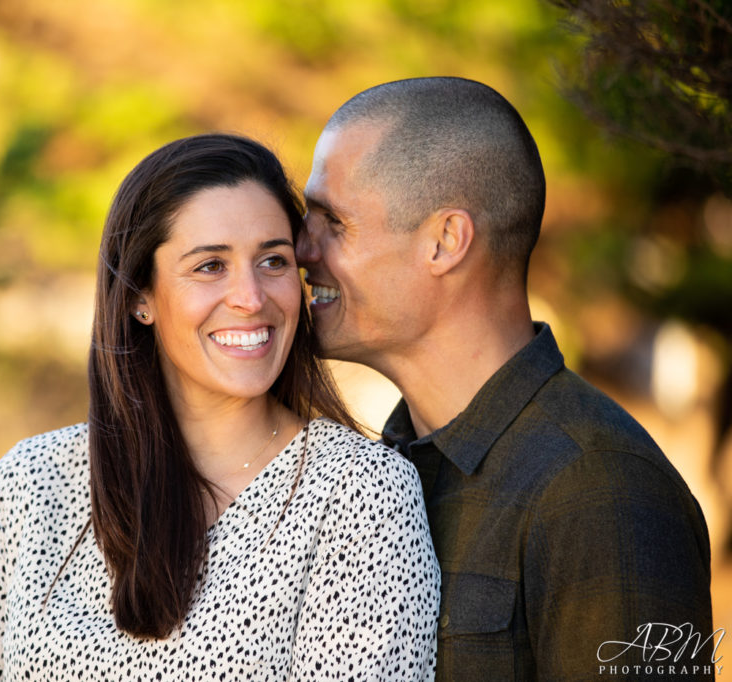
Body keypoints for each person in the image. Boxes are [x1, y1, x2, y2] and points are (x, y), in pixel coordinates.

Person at [0, 133, 440, 681]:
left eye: (273, 260)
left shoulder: (361, 494)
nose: (251, 297)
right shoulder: (31, 483)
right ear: (140, 296)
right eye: (210, 267)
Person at [296, 78, 714, 681]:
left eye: (331, 221)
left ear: (445, 241)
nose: (300, 249)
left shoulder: (601, 489)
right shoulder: (378, 477)